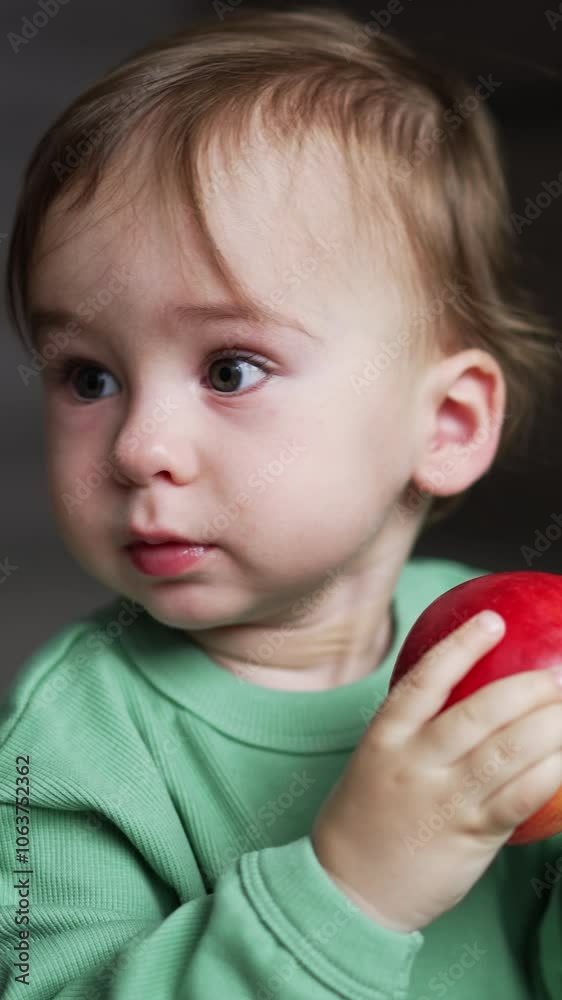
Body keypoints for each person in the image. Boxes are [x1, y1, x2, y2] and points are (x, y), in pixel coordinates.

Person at [1, 6, 561, 998]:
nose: (138, 447)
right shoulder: (71, 744)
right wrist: (348, 895)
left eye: (230, 368)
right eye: (89, 376)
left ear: (444, 424)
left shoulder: (493, 664)